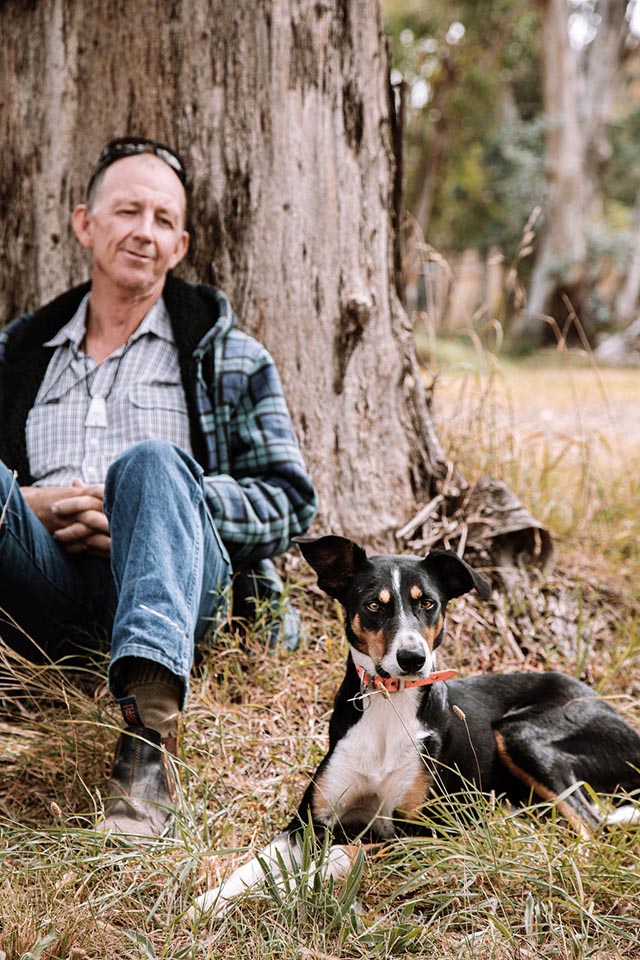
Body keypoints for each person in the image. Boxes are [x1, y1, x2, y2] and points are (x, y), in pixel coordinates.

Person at [0, 137, 317, 838]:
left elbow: (290, 498)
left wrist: (165, 505)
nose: (145, 231)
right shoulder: (19, 353)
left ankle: (146, 752)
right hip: (40, 585)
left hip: (173, 593)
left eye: (163, 219)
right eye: (128, 211)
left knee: (150, 462)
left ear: (180, 244)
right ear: (86, 223)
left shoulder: (227, 354)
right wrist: (29, 504)